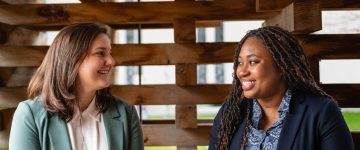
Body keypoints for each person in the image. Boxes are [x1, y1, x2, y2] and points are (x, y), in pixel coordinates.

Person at [209, 26, 355, 150]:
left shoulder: (320, 112)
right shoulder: (230, 114)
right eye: (240, 63)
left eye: (253, 62)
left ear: (281, 67)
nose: (241, 71)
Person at [9, 23, 144, 150]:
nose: (111, 61)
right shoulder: (29, 115)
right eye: (100, 53)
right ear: (73, 58)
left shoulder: (126, 113)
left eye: (110, 53)